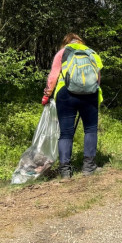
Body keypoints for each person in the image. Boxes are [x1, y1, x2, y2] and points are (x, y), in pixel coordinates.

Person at [43, 33, 103, 178]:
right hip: (90, 94)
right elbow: (98, 78)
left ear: (66, 42)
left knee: (66, 133)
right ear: (81, 41)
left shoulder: (63, 53)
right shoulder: (92, 53)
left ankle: (65, 171)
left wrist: (47, 95)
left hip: (66, 94)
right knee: (90, 129)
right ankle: (88, 168)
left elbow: (53, 76)